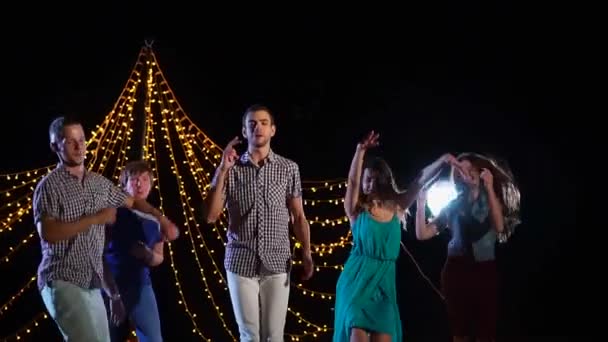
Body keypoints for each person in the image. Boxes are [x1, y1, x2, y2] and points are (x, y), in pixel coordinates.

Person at [32, 116, 179, 342]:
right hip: (62, 277)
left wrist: (161, 219)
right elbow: (48, 233)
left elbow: (132, 202)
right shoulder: (49, 186)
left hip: (93, 281)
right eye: (70, 141)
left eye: (81, 139)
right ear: (55, 146)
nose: (79, 146)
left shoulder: (98, 183)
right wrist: (95, 218)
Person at [333, 130, 462, 342]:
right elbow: (353, 183)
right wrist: (360, 151)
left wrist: (442, 160)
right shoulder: (356, 210)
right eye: (368, 180)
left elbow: (418, 181)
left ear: (385, 181)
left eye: (376, 180)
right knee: (356, 335)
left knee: (385, 337)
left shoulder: (398, 207)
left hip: (384, 284)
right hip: (356, 281)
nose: (371, 184)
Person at [203, 104, 314, 342]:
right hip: (241, 261)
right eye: (252, 124)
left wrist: (306, 252)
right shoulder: (232, 169)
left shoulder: (288, 168)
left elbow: (298, 216)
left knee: (273, 336)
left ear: (273, 130)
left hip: (276, 261)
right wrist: (222, 170)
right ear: (244, 132)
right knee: (249, 336)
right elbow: (210, 216)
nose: (258, 128)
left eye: (264, 123)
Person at [415, 152, 521, 342]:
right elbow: (422, 234)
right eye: (460, 170)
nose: (465, 173)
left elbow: (498, 227)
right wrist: (421, 202)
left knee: (485, 332)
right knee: (460, 332)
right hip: (455, 270)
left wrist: (488, 187)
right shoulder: (453, 205)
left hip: (484, 270)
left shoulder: (490, 200)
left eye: (469, 169)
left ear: (479, 172)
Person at [103, 160, 175, 342]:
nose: (140, 184)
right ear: (124, 184)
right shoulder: (113, 212)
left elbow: (159, 256)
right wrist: (114, 294)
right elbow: (99, 254)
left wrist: (148, 255)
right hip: (111, 284)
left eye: (144, 180)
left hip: (141, 285)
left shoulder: (156, 218)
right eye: (134, 179)